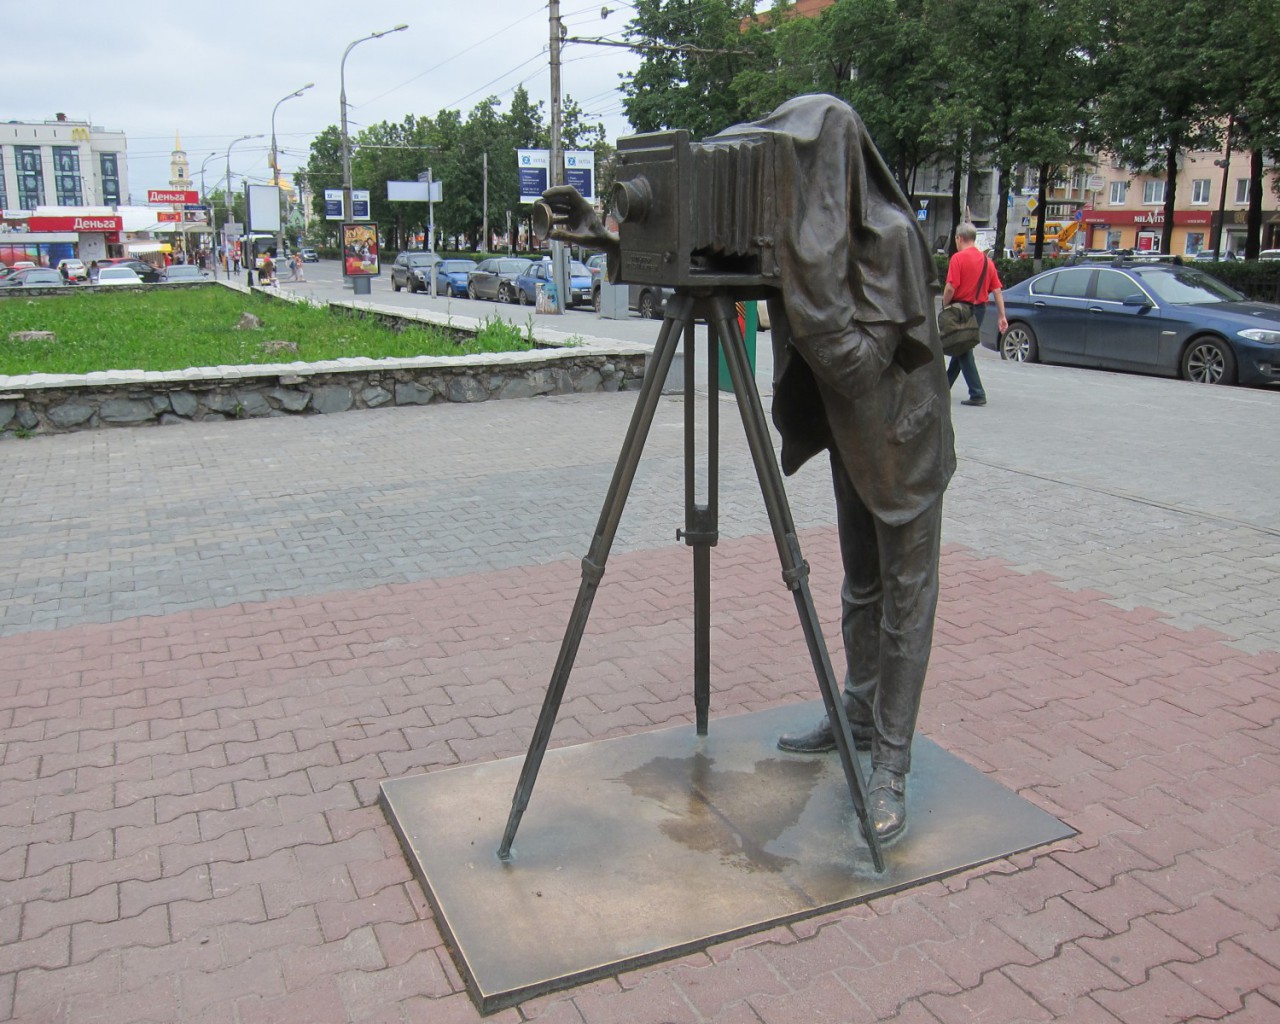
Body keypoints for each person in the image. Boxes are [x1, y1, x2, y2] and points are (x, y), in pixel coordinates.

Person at [538, 94, 954, 843]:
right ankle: (858, 712)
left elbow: (861, 368)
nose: (780, 188)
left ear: (832, 167)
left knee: (906, 597)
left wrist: (807, 284)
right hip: (851, 434)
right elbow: (711, 267)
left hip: (903, 441)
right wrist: (607, 235)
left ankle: (891, 763)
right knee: (861, 584)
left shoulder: (888, 240)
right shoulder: (797, 234)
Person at [941, 224, 1007, 407]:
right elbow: (997, 291)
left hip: (960, 310)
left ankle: (977, 393)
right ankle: (943, 387)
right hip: (979, 310)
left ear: (959, 238)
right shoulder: (987, 261)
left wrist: (945, 305)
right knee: (962, 346)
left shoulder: (958, 258)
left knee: (963, 348)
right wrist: (1002, 316)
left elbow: (950, 287)